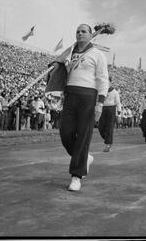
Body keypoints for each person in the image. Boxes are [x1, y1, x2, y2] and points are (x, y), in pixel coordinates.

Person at [46, 24, 109, 191]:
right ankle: (84, 158)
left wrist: (100, 103)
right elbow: (61, 70)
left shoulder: (98, 54)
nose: (80, 34)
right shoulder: (69, 53)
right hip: (70, 95)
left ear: (90, 35)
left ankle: (76, 176)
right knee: (65, 133)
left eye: (84, 31)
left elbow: (103, 79)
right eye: (77, 31)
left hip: (88, 97)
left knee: (83, 135)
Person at [98, 76, 122, 152]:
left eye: (107, 81)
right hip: (103, 109)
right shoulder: (102, 91)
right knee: (100, 127)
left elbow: (118, 103)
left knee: (109, 127)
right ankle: (108, 139)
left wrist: (119, 115)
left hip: (111, 110)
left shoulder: (115, 92)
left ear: (110, 82)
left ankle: (108, 144)